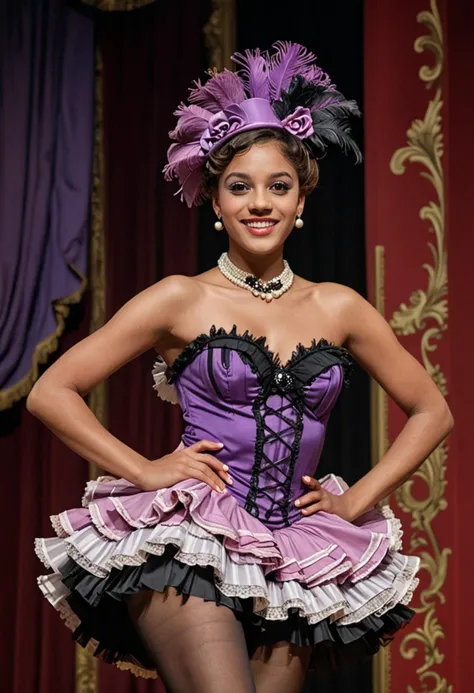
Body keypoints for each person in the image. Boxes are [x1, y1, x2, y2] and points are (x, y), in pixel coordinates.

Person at [30, 42, 453, 693]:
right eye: (240, 186)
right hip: (191, 540)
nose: (260, 202)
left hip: (294, 553)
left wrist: (357, 500)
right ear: (216, 201)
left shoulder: (338, 306)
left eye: (278, 186)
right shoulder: (181, 298)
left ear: (301, 197)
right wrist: (142, 469)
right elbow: (52, 390)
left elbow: (433, 410)